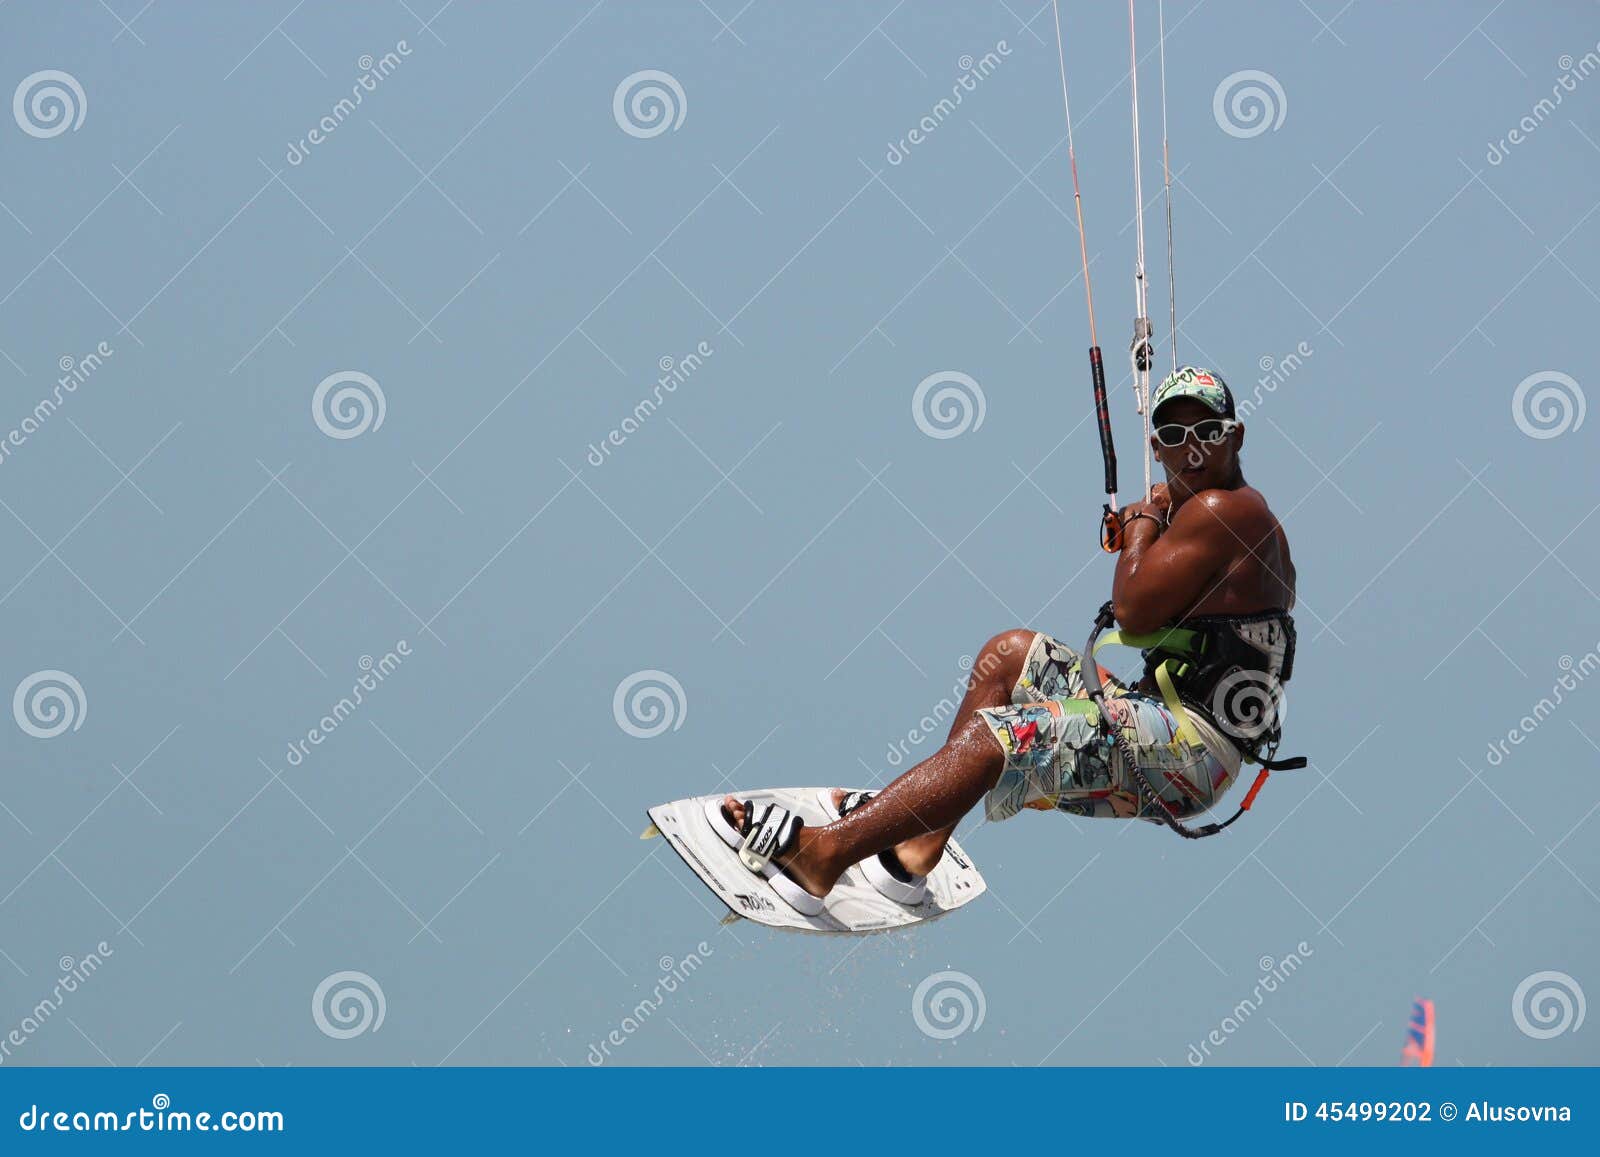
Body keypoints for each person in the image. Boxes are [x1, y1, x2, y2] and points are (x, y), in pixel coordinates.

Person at [714, 366, 1298, 914]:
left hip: (1189, 756)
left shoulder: (1228, 512)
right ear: (1156, 446)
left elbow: (1133, 610)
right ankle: (918, 847)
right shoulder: (1214, 516)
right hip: (1160, 724)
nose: (1189, 447)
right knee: (1011, 654)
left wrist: (1143, 520)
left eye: (1206, 430)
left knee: (1003, 737)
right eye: (1173, 432)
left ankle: (823, 853)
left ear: (1236, 436)